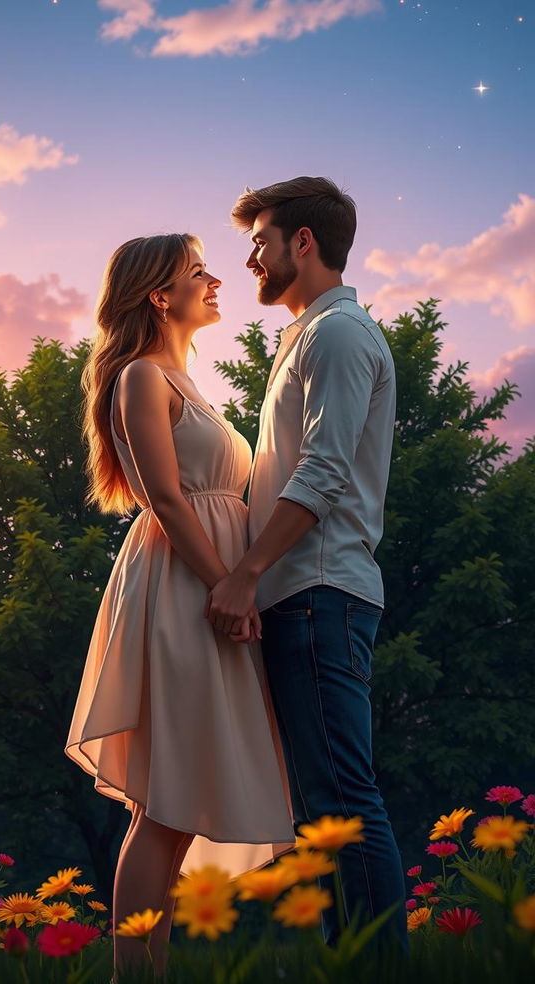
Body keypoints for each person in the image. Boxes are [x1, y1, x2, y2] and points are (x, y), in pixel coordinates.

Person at [65, 233, 294, 980]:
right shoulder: (140, 376)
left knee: (176, 801)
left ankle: (148, 971)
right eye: (199, 272)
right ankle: (134, 976)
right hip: (184, 586)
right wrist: (227, 583)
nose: (216, 280)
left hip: (211, 579)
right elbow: (164, 496)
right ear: (160, 296)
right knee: (164, 805)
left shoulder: (185, 381)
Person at [204, 177, 408, 951]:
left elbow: (321, 474)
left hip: (322, 591)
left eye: (259, 240)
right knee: (319, 812)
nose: (249, 257)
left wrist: (246, 571)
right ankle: (346, 962)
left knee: (342, 804)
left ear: (302, 241)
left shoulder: (339, 336)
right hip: (304, 595)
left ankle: (379, 969)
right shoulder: (306, 337)